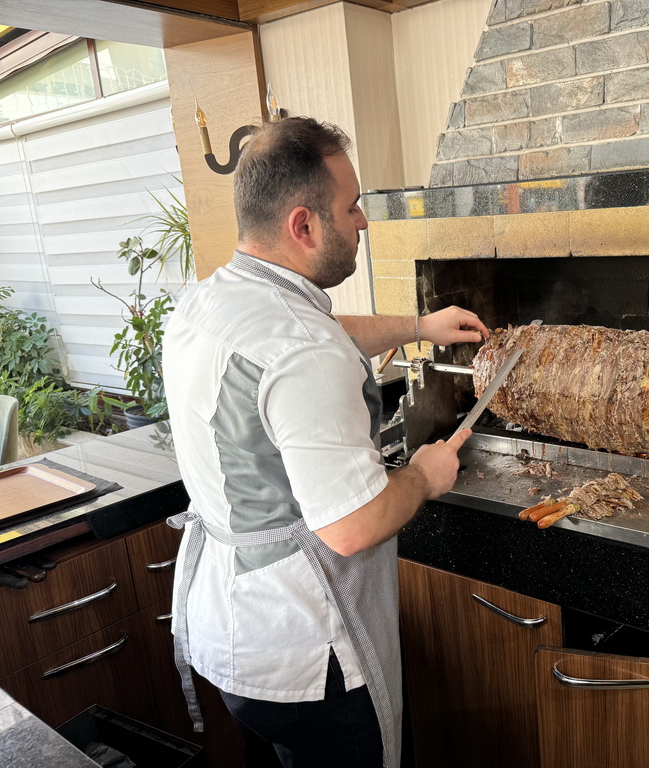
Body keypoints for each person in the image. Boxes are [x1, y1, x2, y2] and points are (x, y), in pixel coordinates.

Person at [161, 116, 489, 768]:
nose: (364, 220)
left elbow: (318, 331)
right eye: (352, 206)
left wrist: (421, 324)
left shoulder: (209, 300)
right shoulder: (303, 349)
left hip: (230, 634)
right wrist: (424, 474)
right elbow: (351, 525)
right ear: (304, 226)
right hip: (308, 654)